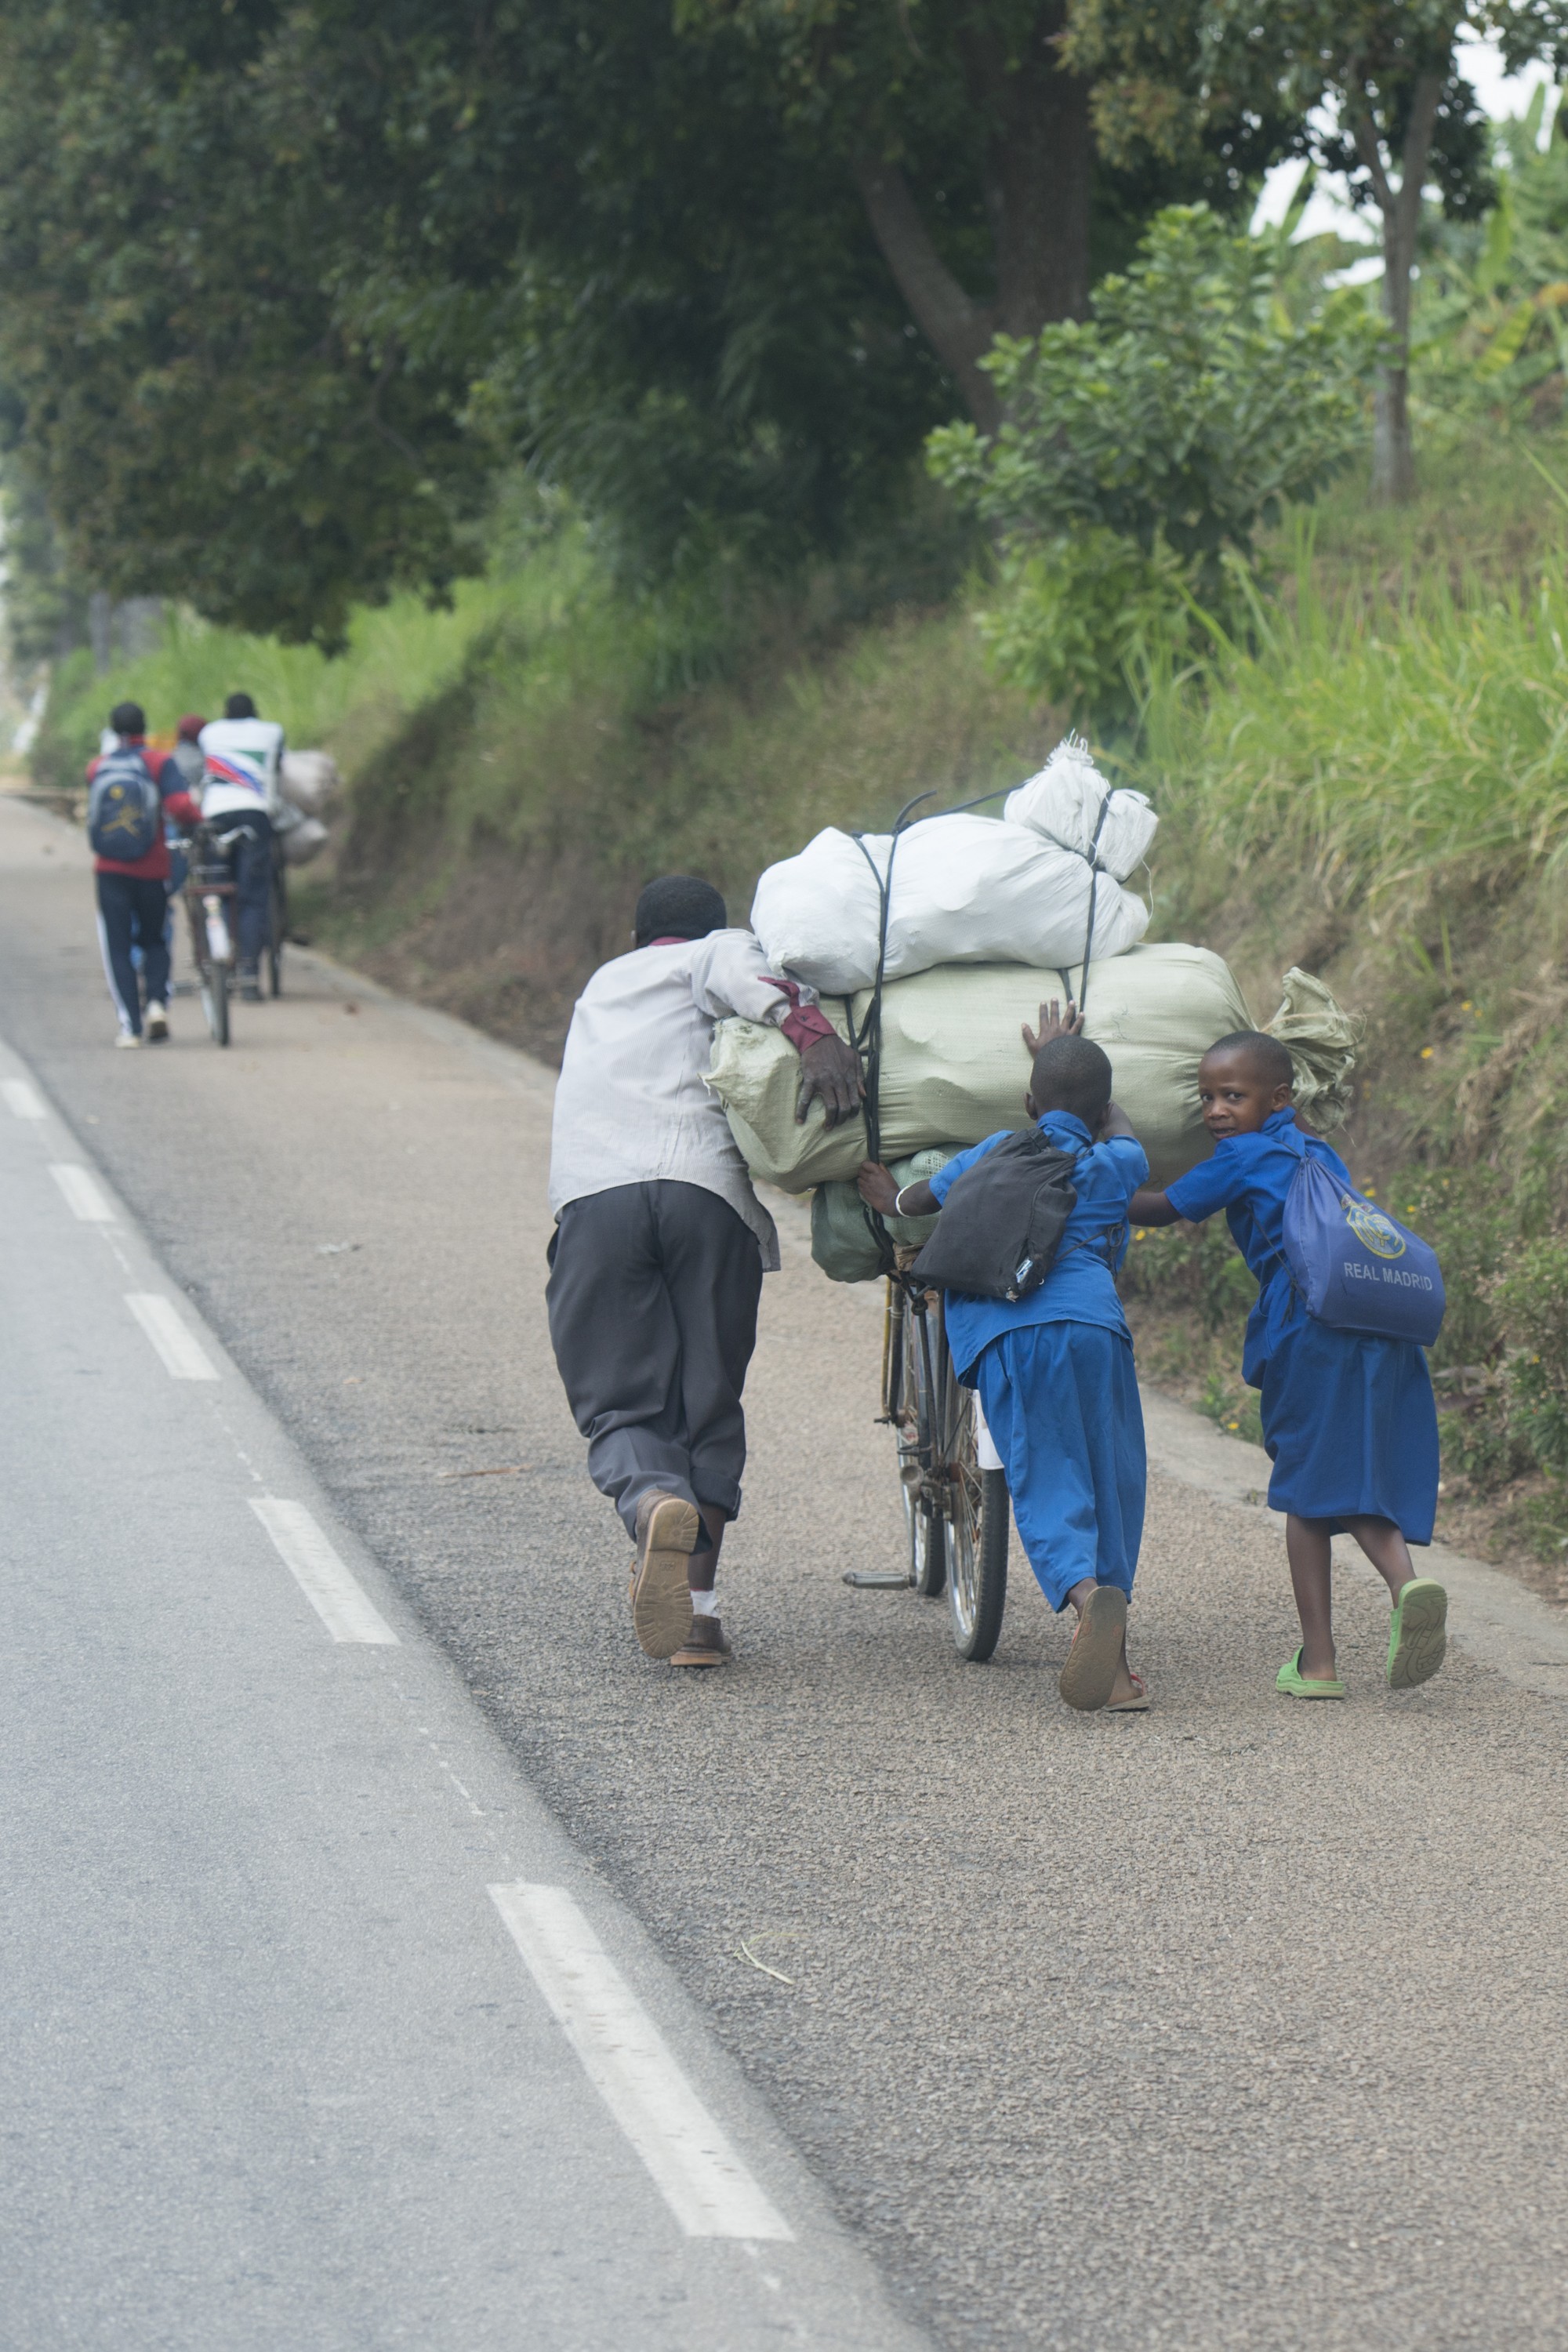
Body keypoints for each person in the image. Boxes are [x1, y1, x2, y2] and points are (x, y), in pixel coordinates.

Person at [546, 873, 863, 1668]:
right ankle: (696, 1616)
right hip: (704, 1197)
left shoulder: (603, 986)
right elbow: (738, 970)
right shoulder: (717, 950)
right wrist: (810, 1030)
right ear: (709, 929)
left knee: (619, 1402)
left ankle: (652, 1499)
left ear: (635, 939)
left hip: (595, 1201)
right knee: (707, 1400)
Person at [1127, 1030, 1446, 1700]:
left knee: (1306, 1490)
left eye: (1232, 1096)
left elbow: (1159, 1211)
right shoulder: (1320, 1152)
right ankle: (1406, 1583)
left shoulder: (1238, 1157)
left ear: (1275, 1098)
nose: (1215, 1111)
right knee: (1350, 1471)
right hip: (1372, 1329)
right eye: (1206, 1097)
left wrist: (1091, 1177)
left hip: (1310, 1333)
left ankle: (1321, 1663)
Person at [859, 1006, 1151, 1713]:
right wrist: (1100, 1100)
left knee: (1046, 1474)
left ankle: (1085, 1598)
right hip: (1095, 1327)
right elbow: (1129, 1135)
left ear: (1028, 1103)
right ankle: (1113, 1662)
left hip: (1008, 1333)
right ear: (1104, 1106)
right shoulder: (1114, 1164)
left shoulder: (993, 1151)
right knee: (1110, 1477)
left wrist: (881, 1194)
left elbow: (916, 1198)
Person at [85, 700, 201, 1048]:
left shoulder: (97, 767)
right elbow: (180, 806)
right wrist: (198, 821)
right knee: (155, 939)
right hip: (153, 867)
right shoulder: (159, 762)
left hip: (109, 869)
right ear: (143, 728)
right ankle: (155, 1005)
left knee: (118, 947)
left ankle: (130, 1029)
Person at [197, 692, 286, 1001]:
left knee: (218, 889)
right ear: (255, 713)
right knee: (252, 896)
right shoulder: (272, 732)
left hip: (214, 817)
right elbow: (277, 772)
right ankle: (249, 973)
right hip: (254, 816)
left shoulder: (209, 733)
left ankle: (218, 958)